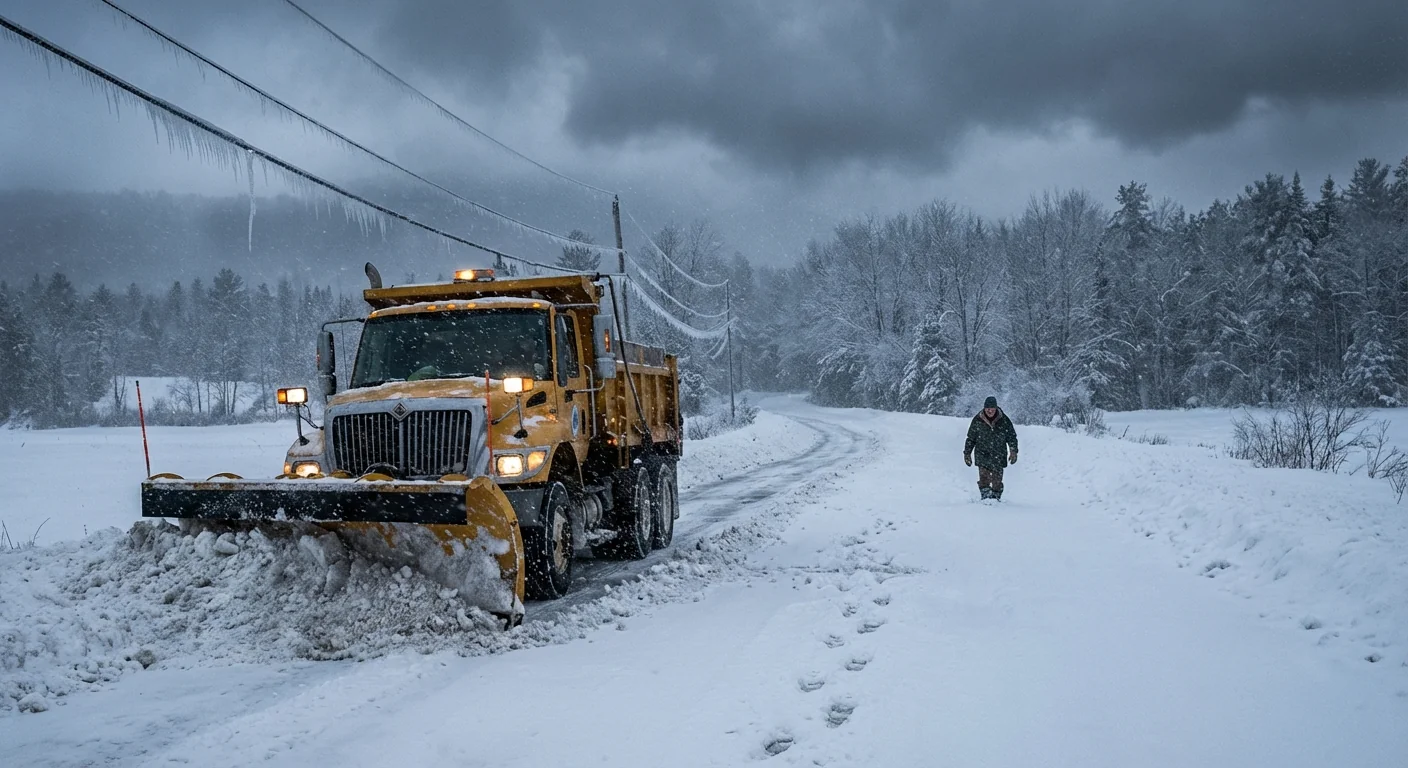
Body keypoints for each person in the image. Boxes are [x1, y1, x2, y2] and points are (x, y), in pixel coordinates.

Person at [963, 396, 1018, 500]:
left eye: (992, 408)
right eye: (987, 408)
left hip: (999, 454)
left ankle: (996, 498)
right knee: (984, 478)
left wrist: (1013, 451)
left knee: (997, 480)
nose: (989, 410)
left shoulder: (1004, 420)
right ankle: (985, 498)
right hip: (982, 453)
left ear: (996, 408)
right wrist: (967, 454)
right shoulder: (977, 420)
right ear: (984, 408)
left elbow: (1012, 437)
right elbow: (970, 438)